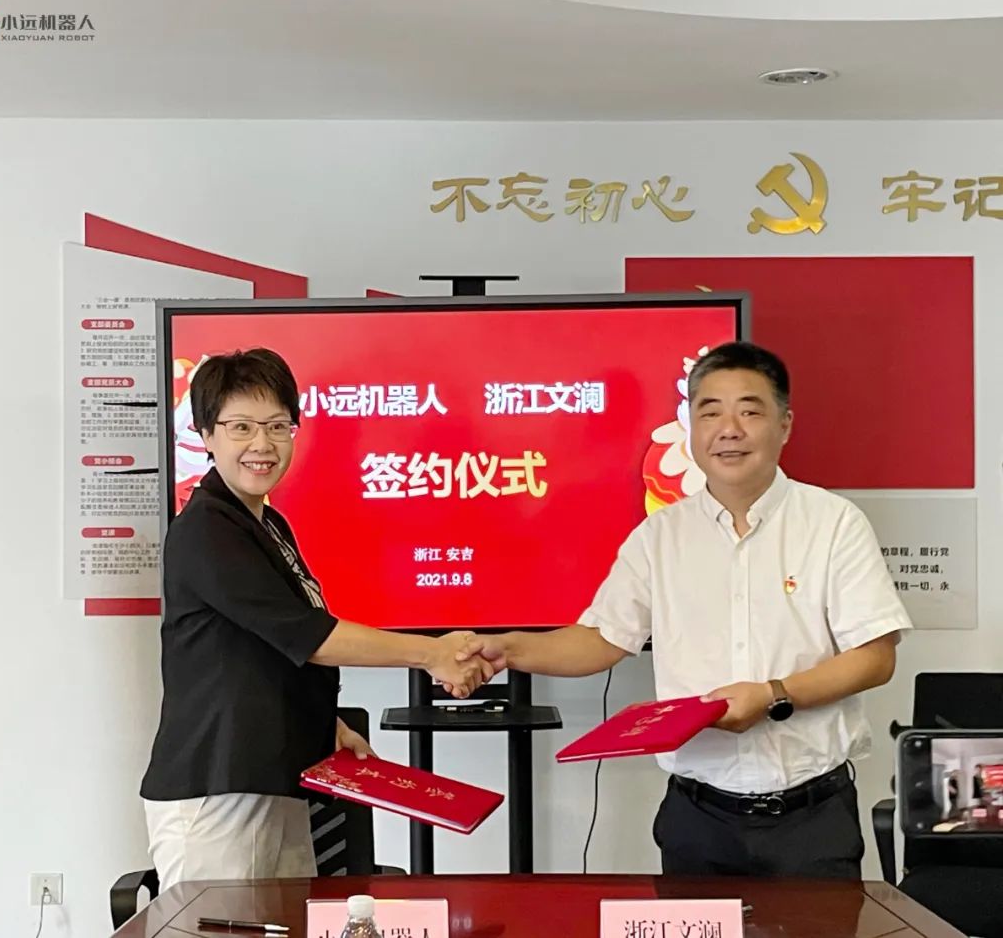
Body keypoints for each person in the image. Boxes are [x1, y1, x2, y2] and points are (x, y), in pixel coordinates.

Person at [458, 341, 912, 879]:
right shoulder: (660, 536)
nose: (729, 430)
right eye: (710, 412)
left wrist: (772, 695)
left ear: (785, 425)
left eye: (749, 411)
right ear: (691, 428)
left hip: (811, 819)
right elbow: (600, 640)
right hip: (698, 819)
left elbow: (874, 658)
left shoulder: (834, 523)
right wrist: (509, 649)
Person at [141, 348, 491, 889]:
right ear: (207, 435)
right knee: (221, 925)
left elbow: (263, 654)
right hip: (218, 787)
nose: (262, 444)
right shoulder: (207, 530)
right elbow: (309, 636)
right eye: (241, 427)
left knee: (289, 921)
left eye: (278, 426)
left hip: (270, 777)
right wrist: (432, 652)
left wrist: (325, 726)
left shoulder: (268, 524)